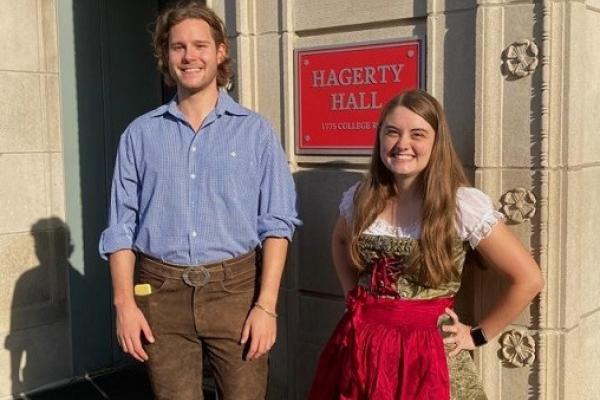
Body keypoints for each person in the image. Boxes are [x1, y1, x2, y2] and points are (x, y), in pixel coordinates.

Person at [98, 1, 299, 399]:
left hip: (236, 293)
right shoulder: (139, 135)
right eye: (178, 47)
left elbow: (277, 223)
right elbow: (121, 227)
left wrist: (267, 306)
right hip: (160, 294)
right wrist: (124, 305)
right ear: (166, 55)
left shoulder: (256, 133)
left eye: (200, 45)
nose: (189, 56)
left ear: (220, 51)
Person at [308, 89, 543, 400]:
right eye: (392, 132)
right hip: (361, 346)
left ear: (436, 142)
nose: (402, 144)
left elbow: (528, 279)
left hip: (426, 354)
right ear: (380, 139)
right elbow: (340, 240)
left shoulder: (460, 205)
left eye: (417, 134)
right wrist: (352, 295)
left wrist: (478, 335)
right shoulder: (362, 196)